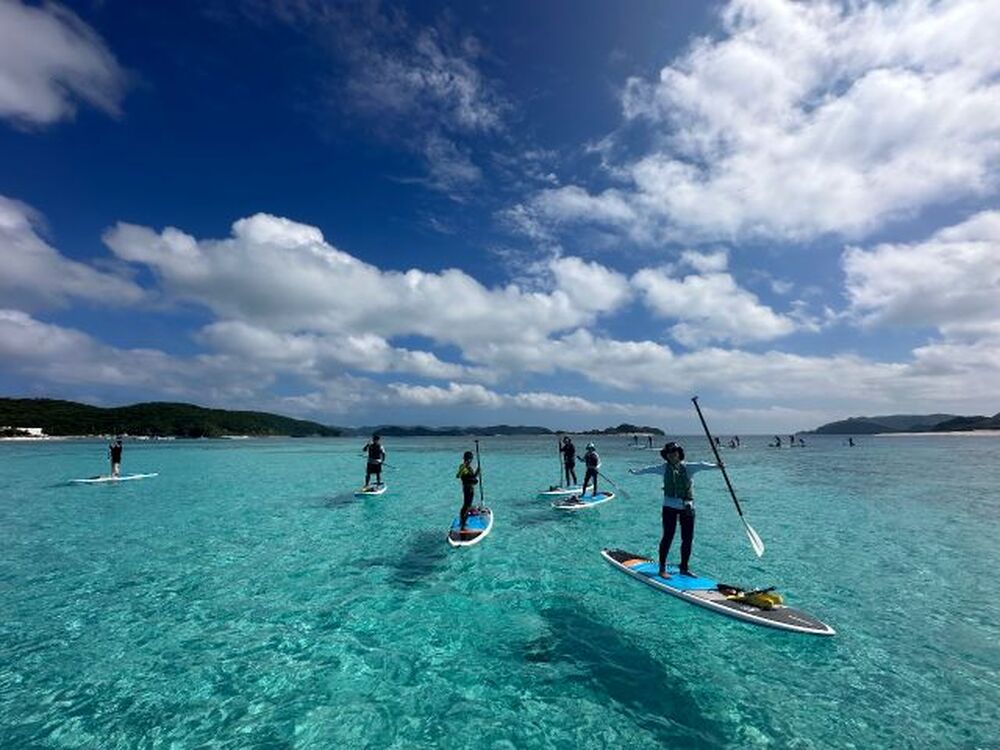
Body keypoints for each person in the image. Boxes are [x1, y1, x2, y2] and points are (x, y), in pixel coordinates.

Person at [629, 441, 720, 578]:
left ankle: (684, 568)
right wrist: (635, 472)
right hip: (669, 507)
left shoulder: (689, 468)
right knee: (667, 537)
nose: (672, 455)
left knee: (687, 539)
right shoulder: (663, 468)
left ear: (679, 453)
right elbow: (648, 469)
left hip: (687, 507)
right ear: (666, 455)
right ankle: (662, 569)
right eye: (669, 453)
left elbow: (702, 465)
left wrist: (717, 466)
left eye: (675, 452)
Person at [456, 450, 480, 531]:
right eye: (470, 459)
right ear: (467, 459)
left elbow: (472, 478)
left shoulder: (469, 467)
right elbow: (458, 476)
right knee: (466, 506)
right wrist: (463, 468)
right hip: (467, 489)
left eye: (471, 459)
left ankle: (463, 522)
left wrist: (477, 472)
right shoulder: (463, 467)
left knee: (467, 506)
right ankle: (463, 525)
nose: (470, 461)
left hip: (470, 488)